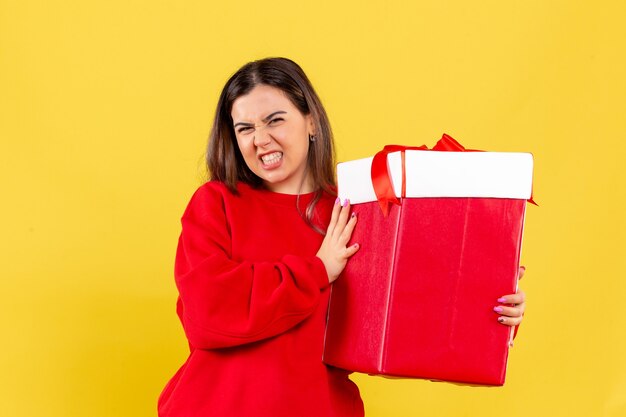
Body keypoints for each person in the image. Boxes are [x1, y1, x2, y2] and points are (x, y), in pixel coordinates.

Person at [157, 57, 527, 417]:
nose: (261, 140)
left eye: (275, 121)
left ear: (312, 122)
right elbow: (208, 312)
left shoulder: (358, 212)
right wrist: (318, 270)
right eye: (245, 128)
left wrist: (487, 311)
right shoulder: (216, 203)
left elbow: (406, 327)